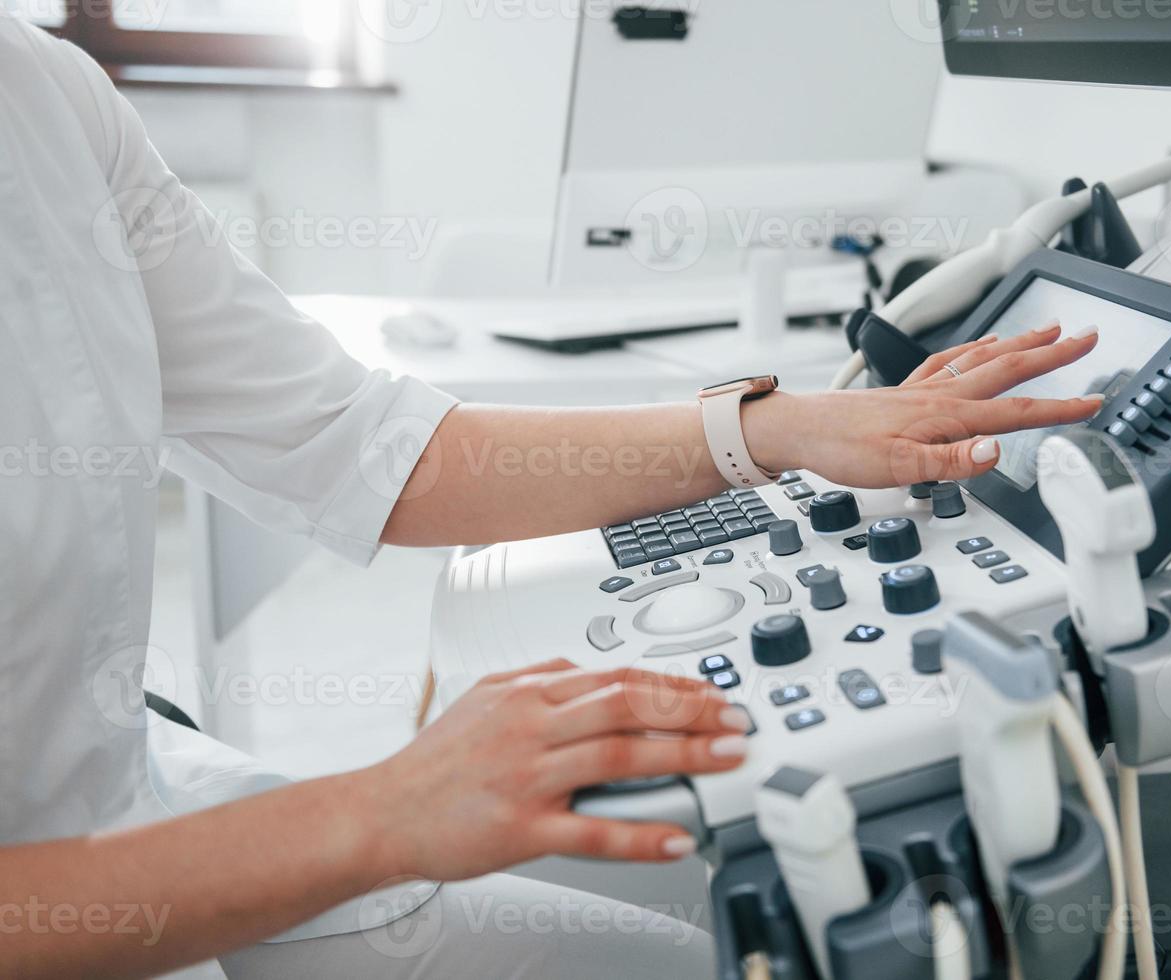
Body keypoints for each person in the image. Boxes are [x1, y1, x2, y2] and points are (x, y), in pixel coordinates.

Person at [0, 12, 1105, 979]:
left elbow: (366, 446)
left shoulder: (46, 95)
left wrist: (780, 428)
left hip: (143, 808)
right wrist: (376, 812)